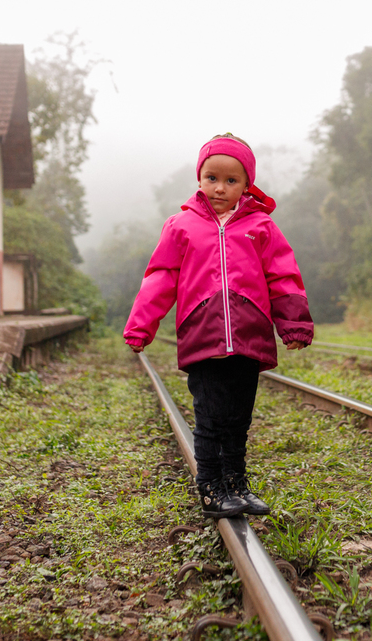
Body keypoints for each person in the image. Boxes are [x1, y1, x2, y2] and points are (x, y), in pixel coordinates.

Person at [123, 133, 314, 519]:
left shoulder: (261, 226)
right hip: (203, 336)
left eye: (231, 181)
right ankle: (210, 486)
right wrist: (141, 327)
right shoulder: (180, 226)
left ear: (247, 186)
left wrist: (293, 325)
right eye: (212, 178)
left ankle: (237, 483)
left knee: (238, 420)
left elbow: (283, 277)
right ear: (199, 178)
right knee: (210, 417)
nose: (219, 188)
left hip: (249, 337)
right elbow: (159, 278)